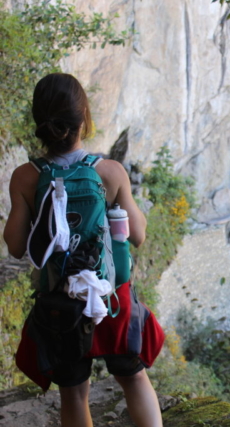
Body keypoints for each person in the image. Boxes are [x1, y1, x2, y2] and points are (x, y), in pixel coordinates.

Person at [3, 73, 164, 427]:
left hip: (60, 305)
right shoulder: (109, 172)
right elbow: (137, 236)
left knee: (74, 393)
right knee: (134, 378)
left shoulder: (25, 177)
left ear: (39, 122)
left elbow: (15, 247)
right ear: (84, 119)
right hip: (111, 300)